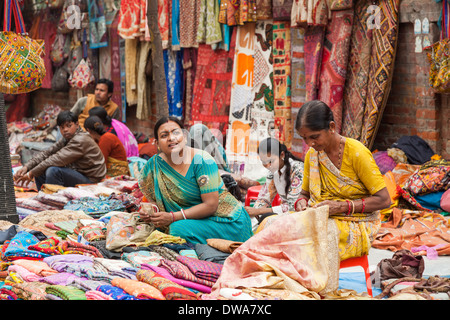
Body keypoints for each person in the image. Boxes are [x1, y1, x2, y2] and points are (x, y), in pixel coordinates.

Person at [294, 100, 391, 261]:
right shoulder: (312, 155)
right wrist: (301, 202)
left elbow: (384, 200)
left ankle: (316, 282)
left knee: (308, 236)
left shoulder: (356, 152)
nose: (310, 143)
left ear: (331, 127)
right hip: (322, 217)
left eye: (314, 137)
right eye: (305, 138)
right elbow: (304, 193)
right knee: (273, 225)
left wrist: (341, 207)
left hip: (358, 222)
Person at [138, 116, 253, 244]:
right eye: (164, 135)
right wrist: (150, 212)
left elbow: (211, 205)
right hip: (188, 220)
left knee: (176, 230)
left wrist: (173, 217)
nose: (171, 138)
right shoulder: (153, 166)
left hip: (224, 220)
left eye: (176, 132)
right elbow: (154, 202)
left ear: (185, 137)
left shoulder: (202, 160)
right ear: (157, 143)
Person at [13, 110, 107, 191]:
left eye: (69, 126)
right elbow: (47, 153)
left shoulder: (80, 140)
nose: (65, 130)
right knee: (40, 169)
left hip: (92, 179)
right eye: (62, 127)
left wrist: (30, 174)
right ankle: (44, 196)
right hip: (79, 173)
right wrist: (26, 167)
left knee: (53, 170)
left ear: (77, 125)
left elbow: (56, 159)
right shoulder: (68, 138)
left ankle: (53, 200)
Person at [245, 137, 304, 228]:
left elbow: (293, 206)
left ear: (282, 155)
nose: (268, 166)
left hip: (301, 213)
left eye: (271, 161)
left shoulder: (298, 169)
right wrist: (253, 212)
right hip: (285, 213)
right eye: (264, 162)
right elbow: (264, 198)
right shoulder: (273, 172)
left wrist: (259, 211)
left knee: (266, 218)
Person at [188, 123, 242, 201]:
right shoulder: (189, 150)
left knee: (237, 181)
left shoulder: (214, 143)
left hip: (218, 174)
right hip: (206, 179)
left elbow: (224, 163)